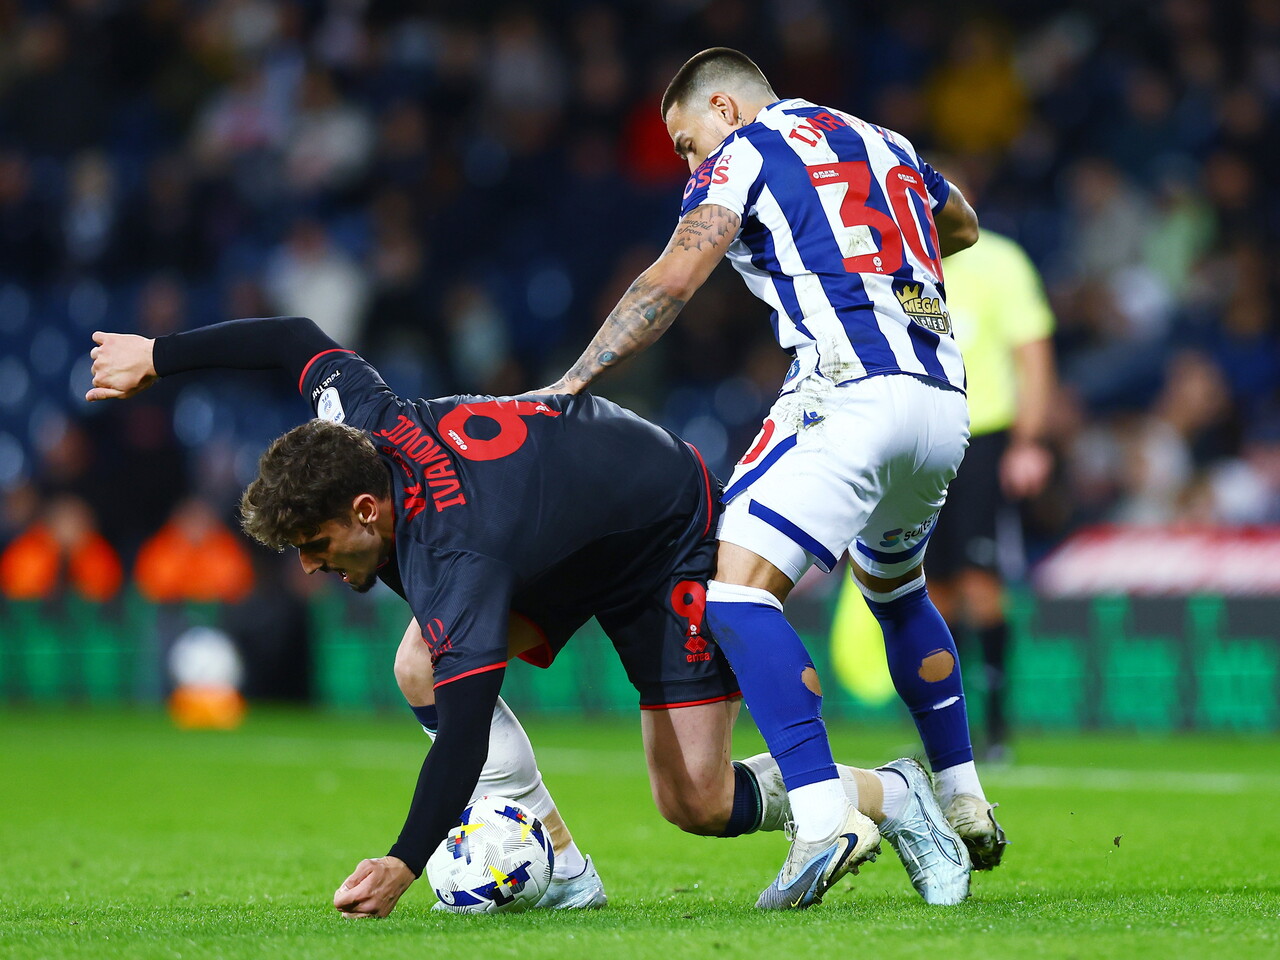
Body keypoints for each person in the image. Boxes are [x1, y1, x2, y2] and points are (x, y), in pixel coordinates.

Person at [86, 314, 971, 917]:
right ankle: (567, 871)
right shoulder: (356, 419)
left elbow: (466, 733)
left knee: (696, 802)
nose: (314, 568)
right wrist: (156, 357)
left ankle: (892, 795)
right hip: (554, 528)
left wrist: (403, 858)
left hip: (660, 528)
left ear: (365, 510)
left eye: (317, 545)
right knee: (417, 666)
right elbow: (291, 339)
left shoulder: (454, 555)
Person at [538, 48, 1005, 902]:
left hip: (849, 389)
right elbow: (964, 223)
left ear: (725, 105)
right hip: (942, 401)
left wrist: (570, 381)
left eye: (686, 143)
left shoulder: (743, 152)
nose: (689, 161)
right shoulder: (886, 140)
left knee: (737, 591)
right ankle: (963, 793)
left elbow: (673, 278)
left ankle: (824, 814)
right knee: (897, 589)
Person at [923, 228, 1057, 761]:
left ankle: (997, 727)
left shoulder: (1001, 260)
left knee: (981, 581)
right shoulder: (900, 260)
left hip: (985, 438)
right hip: (922, 440)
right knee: (931, 589)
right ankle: (948, 732)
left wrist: (1032, 440)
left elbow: (1034, 354)